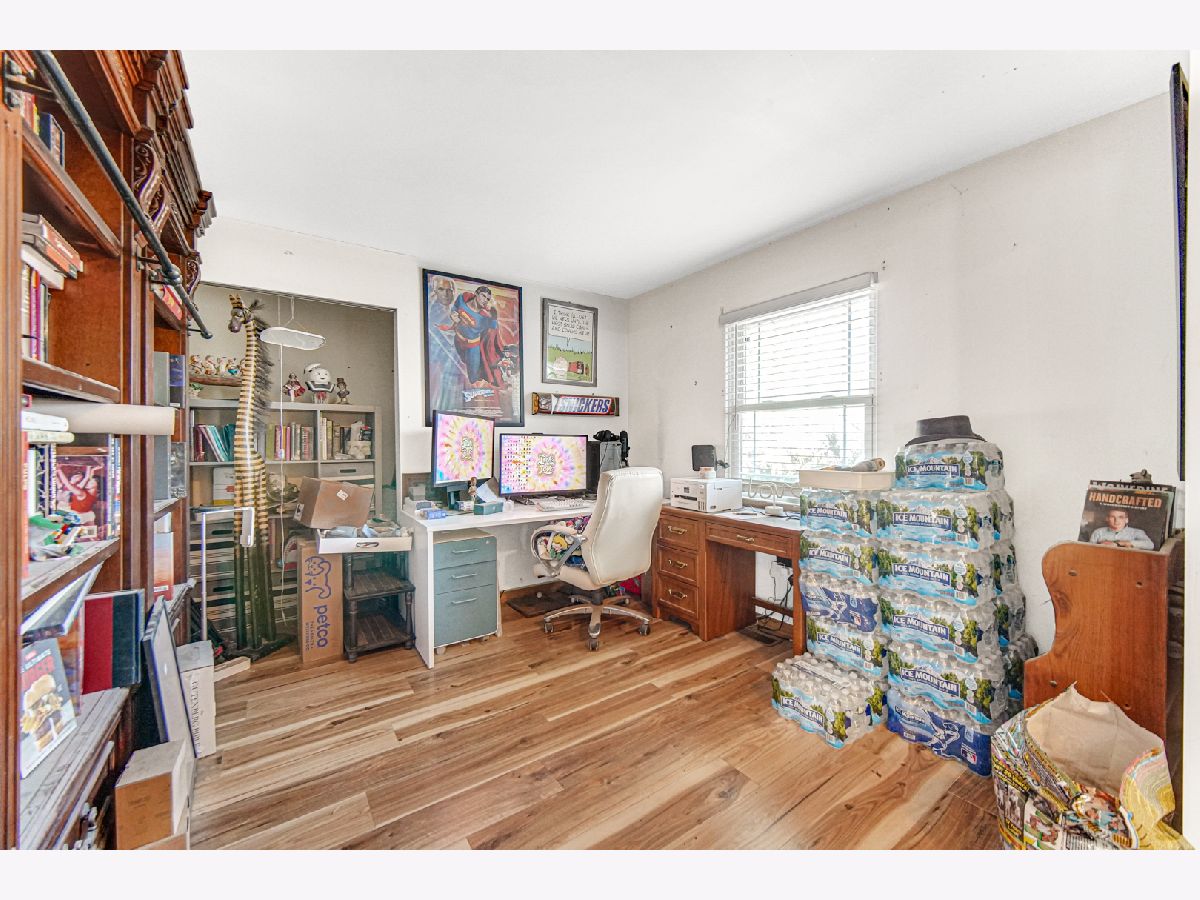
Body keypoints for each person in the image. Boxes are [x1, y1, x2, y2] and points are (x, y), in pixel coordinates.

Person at [1089, 508, 1154, 550]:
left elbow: (1150, 545)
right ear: (1107, 519)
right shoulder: (1098, 532)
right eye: (1112, 517)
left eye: (1120, 517)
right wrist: (1100, 546)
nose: (1116, 520)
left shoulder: (1137, 532)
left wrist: (1121, 543)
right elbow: (1089, 549)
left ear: (1126, 520)